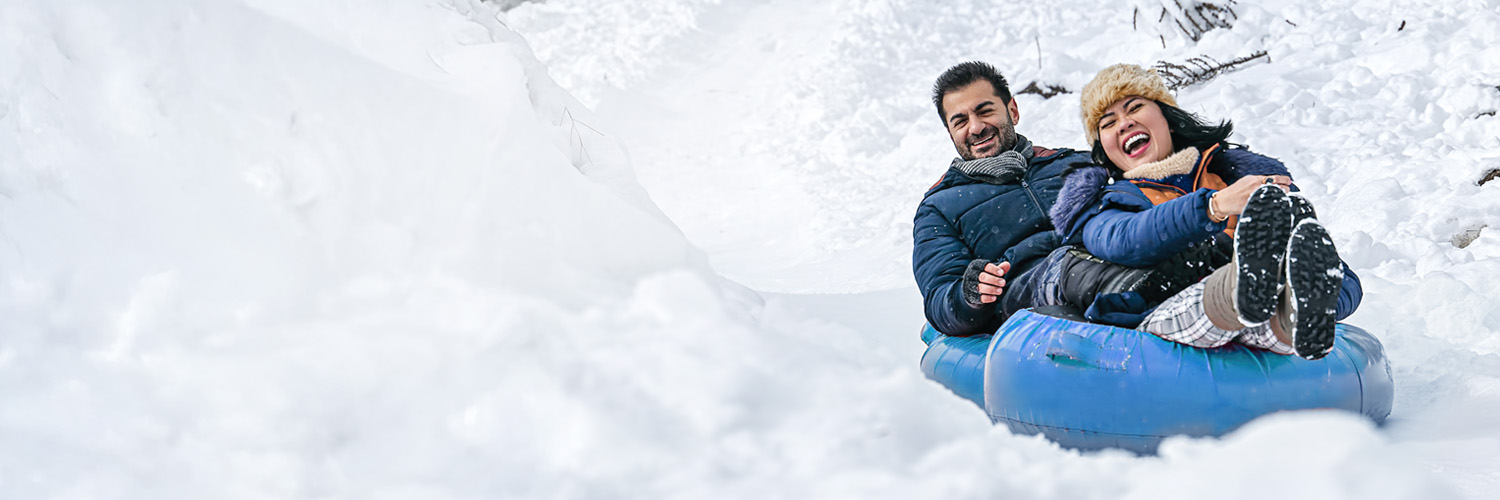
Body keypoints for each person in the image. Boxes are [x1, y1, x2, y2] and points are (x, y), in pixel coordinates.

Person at [1049, 63, 1363, 359]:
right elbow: (1125, 239)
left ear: (1167, 116)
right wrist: (1214, 206)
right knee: (1210, 301)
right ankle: (1242, 287)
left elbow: (1338, 274)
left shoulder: (1236, 175)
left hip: (1260, 318)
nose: (1125, 122)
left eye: (1135, 107)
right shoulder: (1104, 201)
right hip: (1164, 313)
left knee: (1272, 318)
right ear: (1102, 148)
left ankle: (1290, 311)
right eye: (1108, 123)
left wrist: (1323, 299)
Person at [912, 61, 1096, 337]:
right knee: (1070, 266)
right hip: (1029, 304)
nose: (975, 128)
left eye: (985, 111)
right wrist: (969, 294)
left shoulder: (1074, 164)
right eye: (960, 121)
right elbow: (940, 299)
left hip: (1104, 261)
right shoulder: (940, 207)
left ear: (1013, 110)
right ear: (950, 133)